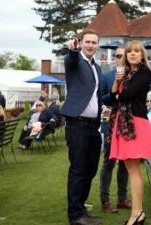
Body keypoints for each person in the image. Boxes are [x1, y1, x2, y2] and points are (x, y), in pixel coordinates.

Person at [109, 40, 151, 225]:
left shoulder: (143, 72)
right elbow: (112, 96)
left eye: (136, 51)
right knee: (130, 168)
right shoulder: (124, 74)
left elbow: (126, 95)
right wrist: (117, 82)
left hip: (135, 123)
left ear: (142, 55)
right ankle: (138, 213)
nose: (132, 54)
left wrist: (118, 93)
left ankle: (136, 214)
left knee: (133, 170)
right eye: (129, 51)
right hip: (124, 121)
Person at [60, 29, 102, 225]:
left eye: (94, 42)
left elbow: (96, 95)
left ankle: (81, 207)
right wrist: (73, 51)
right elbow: (71, 60)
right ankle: (75, 215)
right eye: (87, 42)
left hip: (94, 126)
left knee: (91, 169)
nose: (90, 45)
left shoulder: (97, 68)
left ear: (97, 45)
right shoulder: (76, 62)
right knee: (78, 169)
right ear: (81, 43)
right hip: (77, 124)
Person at [99, 46, 131, 214]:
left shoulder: (134, 75)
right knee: (109, 162)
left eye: (124, 55)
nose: (121, 58)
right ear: (115, 58)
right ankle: (105, 200)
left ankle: (122, 199)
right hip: (111, 123)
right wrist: (115, 86)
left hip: (128, 124)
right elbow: (102, 99)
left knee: (125, 163)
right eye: (118, 55)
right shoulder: (107, 76)